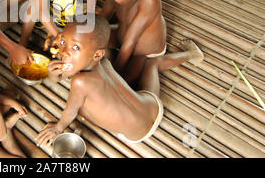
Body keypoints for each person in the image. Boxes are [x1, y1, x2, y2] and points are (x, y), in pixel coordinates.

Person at [36, 16, 203, 146]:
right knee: (152, 64)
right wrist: (53, 72)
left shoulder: (80, 82)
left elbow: (70, 112)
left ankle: (190, 54)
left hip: (137, 134)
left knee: (81, 108)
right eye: (63, 42)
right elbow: (58, 77)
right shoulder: (104, 62)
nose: (64, 52)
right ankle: (191, 54)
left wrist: (57, 128)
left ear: (97, 54)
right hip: (151, 105)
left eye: (76, 47)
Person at [98, 0, 167, 86]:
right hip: (122, 36)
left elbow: (131, 41)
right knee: (89, 42)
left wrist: (113, 75)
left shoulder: (149, 1)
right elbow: (102, 20)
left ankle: (190, 54)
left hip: (144, 51)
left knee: (125, 79)